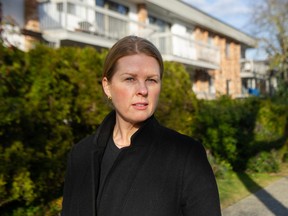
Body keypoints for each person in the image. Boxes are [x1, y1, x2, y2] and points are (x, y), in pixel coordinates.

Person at [61, 35, 221, 216]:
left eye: (151, 80)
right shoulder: (80, 155)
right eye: (130, 79)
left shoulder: (186, 155)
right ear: (107, 86)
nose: (143, 90)